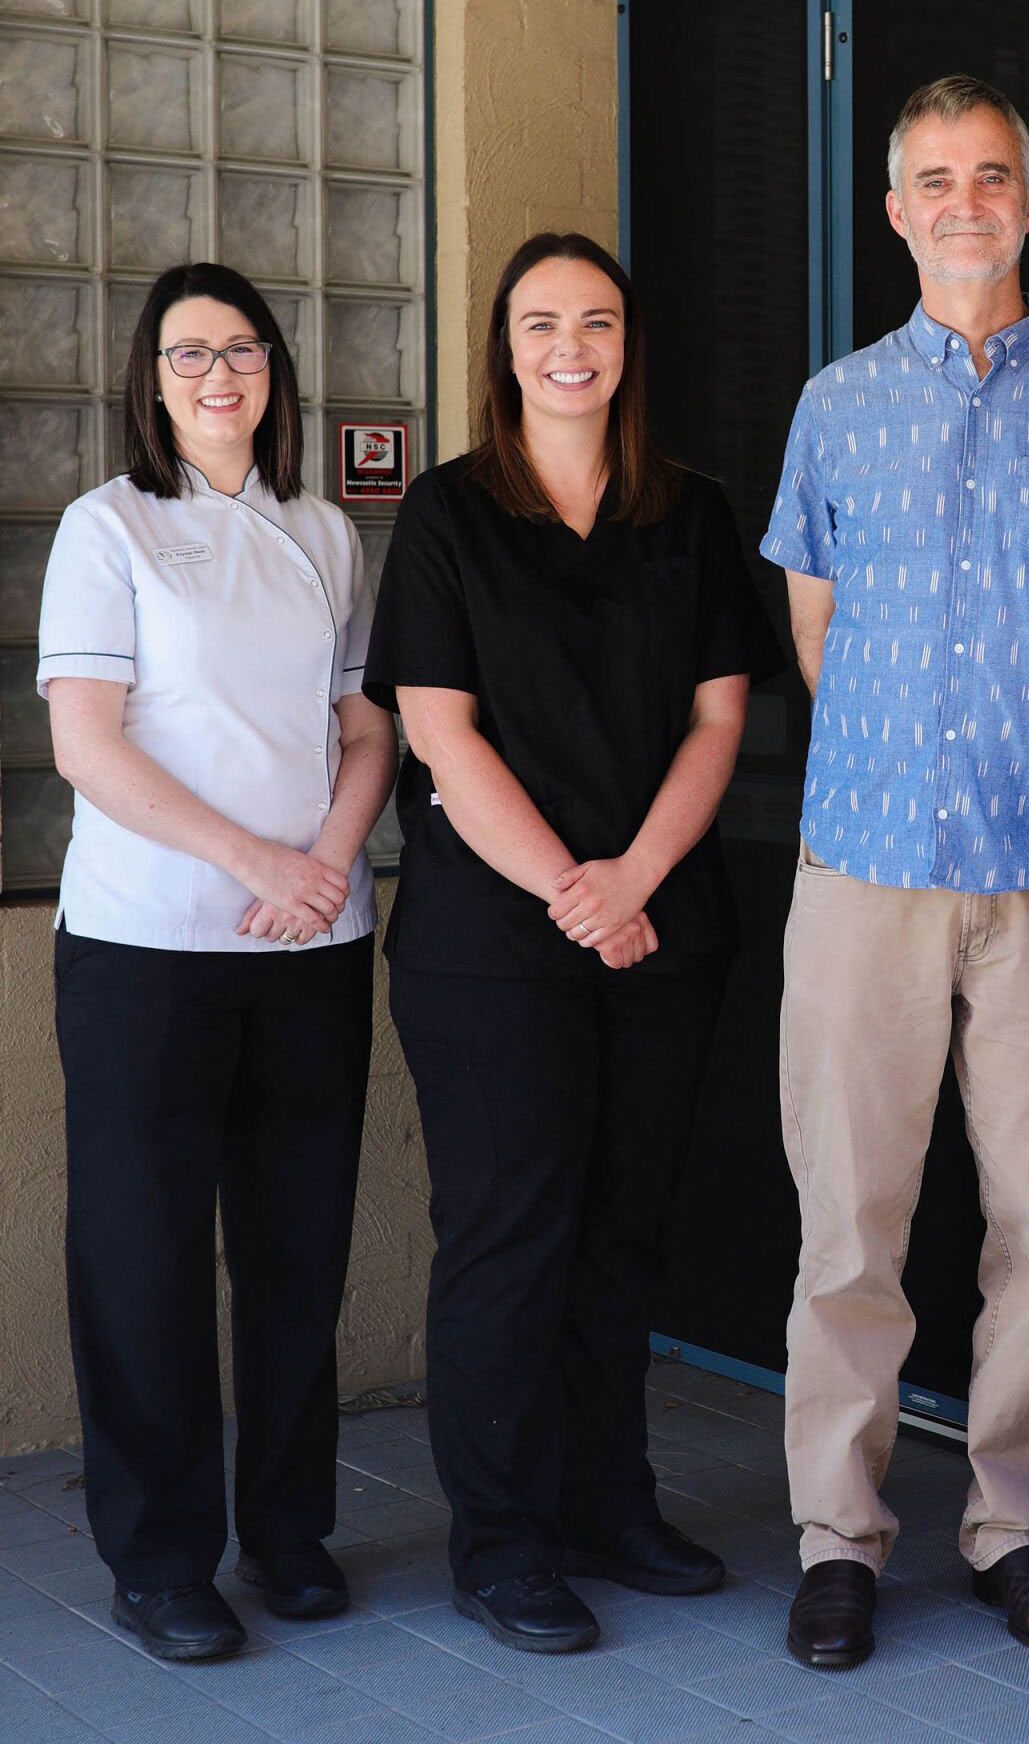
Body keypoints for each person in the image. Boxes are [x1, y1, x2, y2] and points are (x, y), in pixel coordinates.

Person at [362, 232, 782, 1654]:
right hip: (496, 942)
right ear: (505, 347)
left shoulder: (693, 511)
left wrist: (636, 878)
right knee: (510, 1233)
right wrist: (571, 890)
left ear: (627, 345)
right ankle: (505, 1541)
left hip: (661, 927)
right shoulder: (446, 516)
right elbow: (438, 729)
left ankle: (612, 1500)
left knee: (624, 1232)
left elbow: (722, 718)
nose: (570, 347)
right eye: (542, 323)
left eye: (596, 321)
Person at [762, 74, 1029, 1672]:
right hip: (862, 866)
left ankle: (1014, 1527)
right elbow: (816, 627)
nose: (965, 201)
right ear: (896, 208)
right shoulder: (835, 402)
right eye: (935, 179)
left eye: (993, 176)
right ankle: (839, 1539)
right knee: (849, 1226)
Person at [38, 262, 397, 1660]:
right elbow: (89, 744)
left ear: (275, 373)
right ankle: (162, 1559)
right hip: (147, 948)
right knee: (144, 1259)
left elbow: (363, 731)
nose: (219, 376)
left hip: (312, 950)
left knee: (299, 1251)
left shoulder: (323, 531)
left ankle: (291, 1535)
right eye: (190, 356)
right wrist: (264, 866)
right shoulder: (107, 528)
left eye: (242, 351)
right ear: (150, 378)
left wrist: (329, 870)